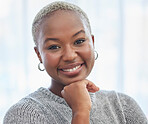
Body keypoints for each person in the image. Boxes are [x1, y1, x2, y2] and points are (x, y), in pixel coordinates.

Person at [3, 1, 148, 124]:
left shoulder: (123, 105)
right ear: (39, 54)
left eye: (79, 41)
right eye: (54, 47)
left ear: (92, 42)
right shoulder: (23, 114)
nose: (70, 56)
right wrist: (80, 111)